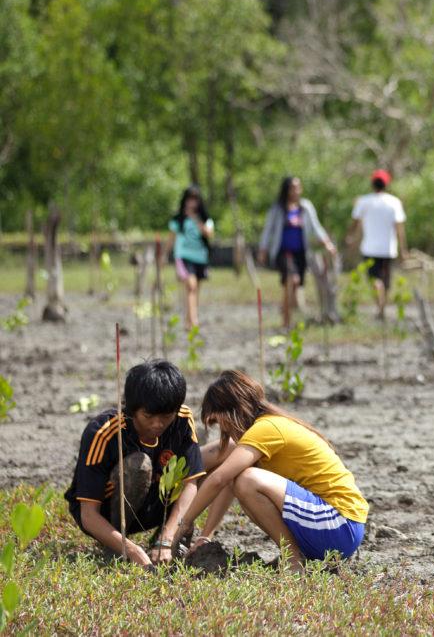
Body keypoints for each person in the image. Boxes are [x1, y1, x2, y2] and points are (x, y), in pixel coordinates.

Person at [169, 370, 368, 570]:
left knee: (247, 480)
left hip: (339, 526)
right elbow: (213, 467)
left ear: (234, 411)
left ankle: (293, 559)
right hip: (334, 529)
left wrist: (183, 523)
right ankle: (296, 554)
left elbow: (219, 479)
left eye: (220, 423)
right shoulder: (263, 429)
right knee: (239, 475)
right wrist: (205, 536)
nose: (224, 432)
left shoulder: (266, 429)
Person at [64, 360, 206, 567]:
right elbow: (87, 514)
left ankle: (172, 538)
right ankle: (115, 543)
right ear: (132, 409)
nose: (158, 424)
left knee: (208, 470)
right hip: (105, 510)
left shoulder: (182, 419)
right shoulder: (104, 431)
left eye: (166, 417)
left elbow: (190, 484)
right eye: (148, 416)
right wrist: (132, 550)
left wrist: (166, 537)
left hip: (154, 504)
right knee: (140, 465)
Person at [258, 176, 337, 329]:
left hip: (301, 253)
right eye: (293, 187)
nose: (296, 190)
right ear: (286, 190)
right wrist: (263, 249)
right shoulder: (278, 209)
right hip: (283, 252)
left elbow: (316, 227)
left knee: (295, 286)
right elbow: (268, 230)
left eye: (298, 187)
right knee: (291, 280)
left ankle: (287, 314)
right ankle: (285, 322)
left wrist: (327, 243)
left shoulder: (305, 207)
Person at [346, 169, 408, 320]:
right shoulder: (394, 202)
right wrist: (403, 249)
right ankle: (382, 307)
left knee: (374, 279)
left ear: (372, 183)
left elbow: (354, 223)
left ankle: (379, 306)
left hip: (369, 248)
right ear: (386, 184)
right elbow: (399, 229)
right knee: (386, 281)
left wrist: (349, 238)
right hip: (388, 249)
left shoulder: (364, 201)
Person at [168, 186, 214, 331]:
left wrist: (195, 219)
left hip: (200, 257)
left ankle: (189, 319)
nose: (192, 203)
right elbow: (171, 238)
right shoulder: (178, 219)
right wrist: (163, 256)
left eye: (195, 199)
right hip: (184, 256)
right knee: (191, 285)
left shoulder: (206, 219)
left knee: (195, 290)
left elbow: (209, 234)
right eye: (189, 199)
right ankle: (194, 321)